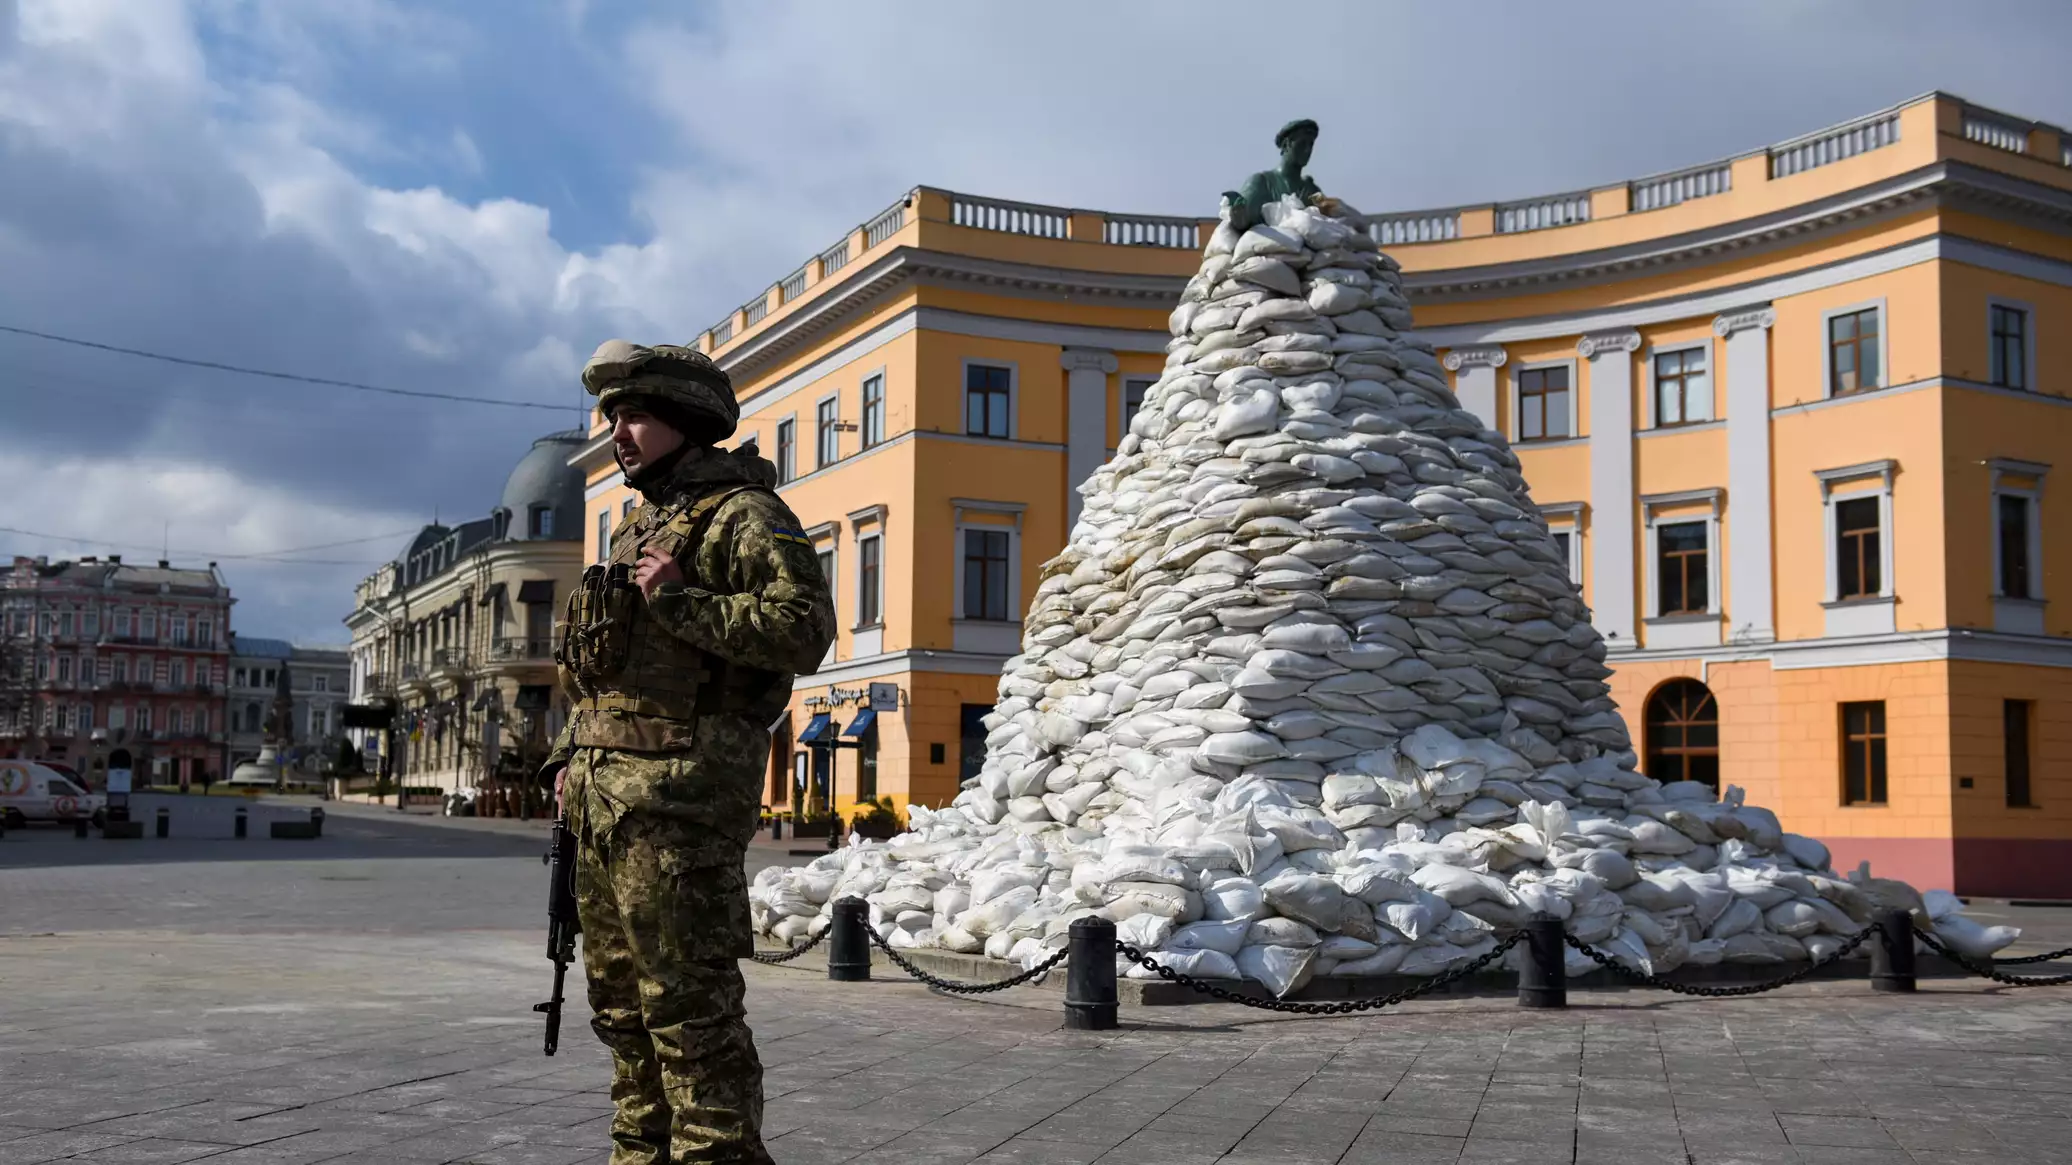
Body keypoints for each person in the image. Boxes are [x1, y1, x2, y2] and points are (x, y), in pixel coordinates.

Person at [544, 339, 836, 1164]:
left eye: (634, 415)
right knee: (623, 1015)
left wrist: (679, 598)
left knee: (689, 1018)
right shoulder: (641, 525)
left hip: (677, 816)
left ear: (684, 420)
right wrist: (568, 757)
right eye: (612, 418)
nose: (618, 434)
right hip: (605, 814)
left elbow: (804, 631)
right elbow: (604, 676)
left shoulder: (743, 515)